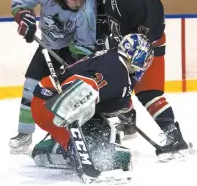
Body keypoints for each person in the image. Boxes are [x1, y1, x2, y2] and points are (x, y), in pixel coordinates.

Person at [92, 0, 188, 157]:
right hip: (117, 48)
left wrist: (116, 45)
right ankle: (126, 122)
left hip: (147, 49)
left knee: (148, 93)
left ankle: (174, 136)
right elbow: (94, 10)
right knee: (107, 85)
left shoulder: (147, 0)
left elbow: (147, 37)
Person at [29, 33, 154, 182]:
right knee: (87, 92)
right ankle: (74, 150)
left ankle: (57, 148)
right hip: (51, 105)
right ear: (138, 56)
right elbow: (85, 86)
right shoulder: (116, 70)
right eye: (146, 58)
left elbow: (107, 102)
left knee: (106, 139)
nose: (146, 64)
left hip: (48, 105)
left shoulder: (114, 61)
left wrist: (126, 107)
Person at [9, 0, 97, 154]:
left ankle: (64, 134)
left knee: (66, 94)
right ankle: (24, 134)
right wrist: (24, 19)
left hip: (71, 51)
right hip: (47, 45)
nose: (79, 2)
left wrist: (73, 65)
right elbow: (20, 2)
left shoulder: (87, 9)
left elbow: (85, 47)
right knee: (30, 86)